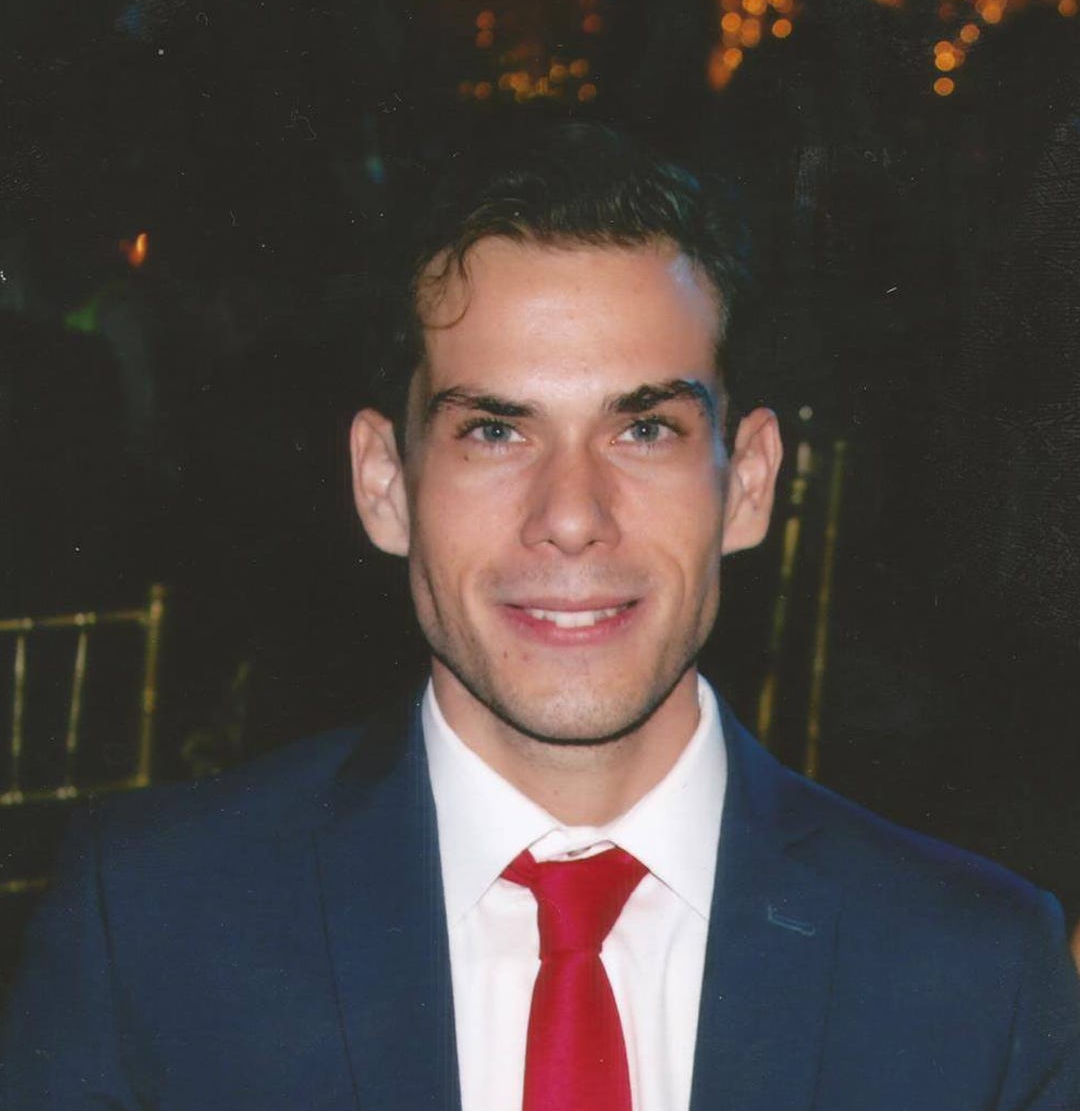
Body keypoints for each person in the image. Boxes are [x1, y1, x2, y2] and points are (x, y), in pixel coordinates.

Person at [3, 122, 1079, 1111]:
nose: (570, 517)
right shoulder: (150, 930)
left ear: (748, 483)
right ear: (384, 484)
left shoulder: (975, 979)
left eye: (644, 430)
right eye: (495, 432)